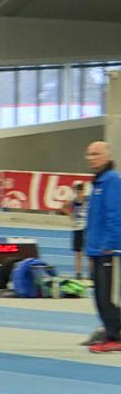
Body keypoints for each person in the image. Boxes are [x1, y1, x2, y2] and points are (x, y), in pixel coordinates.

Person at [84, 141, 121, 353]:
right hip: (95, 250)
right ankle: (110, 332)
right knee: (99, 296)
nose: (91, 158)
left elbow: (115, 215)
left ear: (107, 156)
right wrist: (91, 249)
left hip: (108, 250)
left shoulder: (112, 180)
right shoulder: (98, 182)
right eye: (89, 154)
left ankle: (115, 335)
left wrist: (109, 245)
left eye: (96, 154)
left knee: (108, 296)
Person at [60, 181, 88, 280]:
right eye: (78, 191)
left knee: (89, 252)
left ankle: (92, 274)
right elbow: (63, 208)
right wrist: (70, 215)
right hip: (77, 229)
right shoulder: (73, 201)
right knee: (78, 253)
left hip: (87, 229)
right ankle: (78, 274)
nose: (80, 193)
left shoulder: (88, 200)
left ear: (84, 191)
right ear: (75, 191)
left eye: (81, 190)